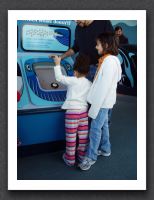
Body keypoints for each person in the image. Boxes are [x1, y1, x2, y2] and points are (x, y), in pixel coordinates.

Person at [79, 32, 122, 171]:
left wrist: (94, 108)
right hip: (105, 101)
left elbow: (103, 87)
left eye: (98, 44)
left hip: (101, 103)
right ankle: (105, 148)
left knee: (95, 129)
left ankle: (90, 157)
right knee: (103, 126)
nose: (96, 47)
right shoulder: (109, 59)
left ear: (106, 45)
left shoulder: (109, 62)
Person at [52, 53, 92, 166]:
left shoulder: (73, 80)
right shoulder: (89, 83)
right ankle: (81, 157)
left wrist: (57, 64)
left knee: (71, 138)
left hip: (72, 113)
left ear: (75, 71)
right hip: (84, 113)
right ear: (87, 72)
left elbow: (59, 78)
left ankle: (70, 159)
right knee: (83, 138)